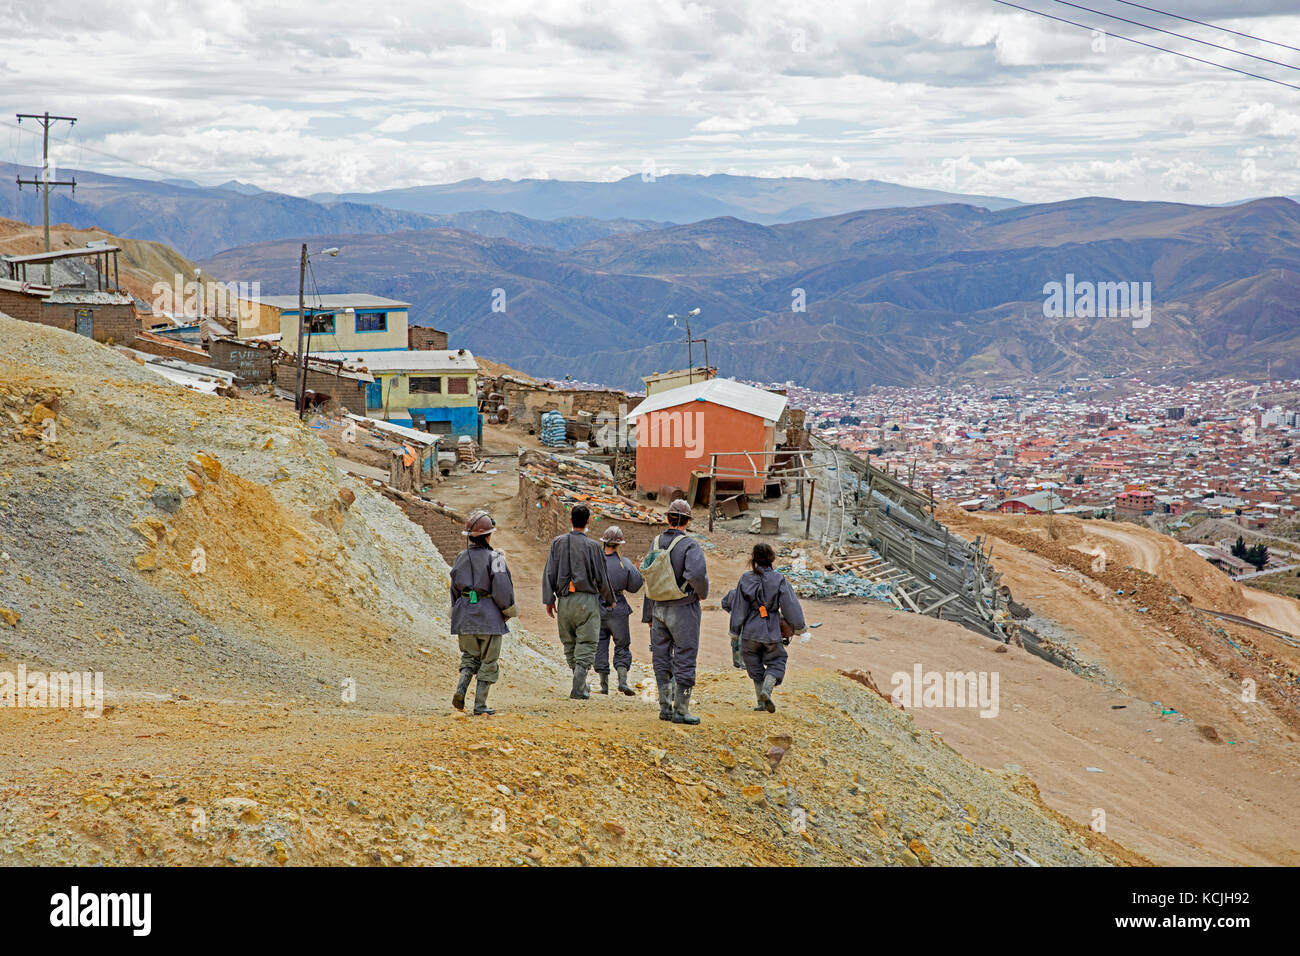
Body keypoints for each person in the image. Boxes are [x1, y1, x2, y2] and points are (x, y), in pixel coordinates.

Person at [642, 498, 709, 725]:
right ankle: (682, 709)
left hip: (658, 609)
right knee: (685, 657)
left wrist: (648, 614)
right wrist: (701, 594)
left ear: (668, 518)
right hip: (683, 610)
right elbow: (697, 575)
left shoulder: (656, 542)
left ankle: (665, 707)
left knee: (661, 657)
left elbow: (650, 577)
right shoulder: (690, 545)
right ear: (687, 521)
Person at [542, 503, 616, 699]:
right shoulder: (593, 547)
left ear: (570, 520)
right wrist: (610, 600)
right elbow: (602, 577)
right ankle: (579, 688)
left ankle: (581, 685)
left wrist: (549, 600)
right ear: (588, 521)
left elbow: (549, 572)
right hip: (587, 602)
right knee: (587, 644)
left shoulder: (557, 543)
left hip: (564, 602)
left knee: (570, 645)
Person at [722, 542, 805, 713]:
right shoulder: (778, 579)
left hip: (750, 632)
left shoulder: (745, 578)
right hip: (771, 630)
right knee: (777, 661)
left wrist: (735, 631)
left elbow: (738, 607)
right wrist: (799, 627)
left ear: (754, 559)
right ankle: (767, 691)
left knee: (754, 666)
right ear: (771, 558)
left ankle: (760, 702)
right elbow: (790, 605)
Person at [449, 509, 516, 716]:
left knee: (469, 657)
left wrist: (458, 611)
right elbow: (502, 589)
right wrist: (507, 611)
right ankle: (480, 705)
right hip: (489, 617)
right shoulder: (495, 557)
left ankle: (461, 689)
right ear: (488, 535)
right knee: (489, 661)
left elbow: (454, 589)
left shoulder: (461, 557)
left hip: (465, 615)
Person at [595, 525, 643, 695]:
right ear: (619, 544)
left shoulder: (595, 562)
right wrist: (637, 568)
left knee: (600, 645)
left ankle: (604, 685)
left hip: (598, 608)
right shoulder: (625, 564)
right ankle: (622, 681)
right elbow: (635, 586)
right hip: (618, 609)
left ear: (603, 542)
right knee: (622, 646)